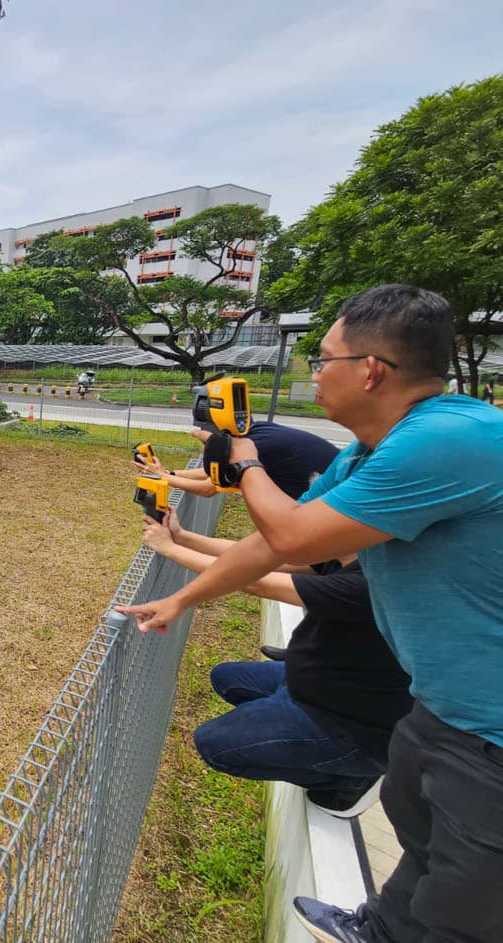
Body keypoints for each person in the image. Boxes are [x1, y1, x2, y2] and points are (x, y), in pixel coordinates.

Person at [120, 284, 503, 943]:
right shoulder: (371, 453)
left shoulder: (448, 438)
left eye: (322, 359)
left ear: (371, 369)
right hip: (440, 704)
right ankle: (376, 927)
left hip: (490, 731)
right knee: (420, 842)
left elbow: (291, 539)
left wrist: (243, 458)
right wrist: (182, 597)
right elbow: (267, 540)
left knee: (462, 907)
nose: (312, 372)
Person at [142, 511, 410, 817]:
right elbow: (252, 559)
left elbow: (256, 582)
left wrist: (169, 549)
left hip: (349, 723)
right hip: (315, 681)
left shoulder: (371, 584)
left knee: (214, 745)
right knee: (225, 678)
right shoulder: (354, 553)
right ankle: (283, 727)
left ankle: (351, 776)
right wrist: (183, 536)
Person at [132, 421, 339, 500]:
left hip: (336, 513)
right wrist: (169, 473)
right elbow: (212, 472)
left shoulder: (258, 446)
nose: (203, 450)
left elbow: (208, 488)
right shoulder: (251, 434)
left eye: (206, 443)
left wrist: (160, 477)